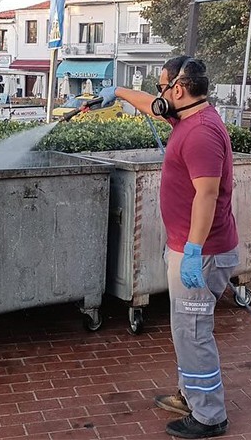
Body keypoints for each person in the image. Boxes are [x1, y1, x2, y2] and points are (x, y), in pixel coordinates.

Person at [99, 56, 237, 439]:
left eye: (161, 86)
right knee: (185, 330)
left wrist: (193, 250)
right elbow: (153, 107)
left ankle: (209, 415)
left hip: (202, 255)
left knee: (193, 332)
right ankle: (191, 394)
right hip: (191, 250)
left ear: (178, 89)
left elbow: (207, 195)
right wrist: (118, 93)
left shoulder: (201, 133)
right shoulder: (188, 117)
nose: (158, 94)